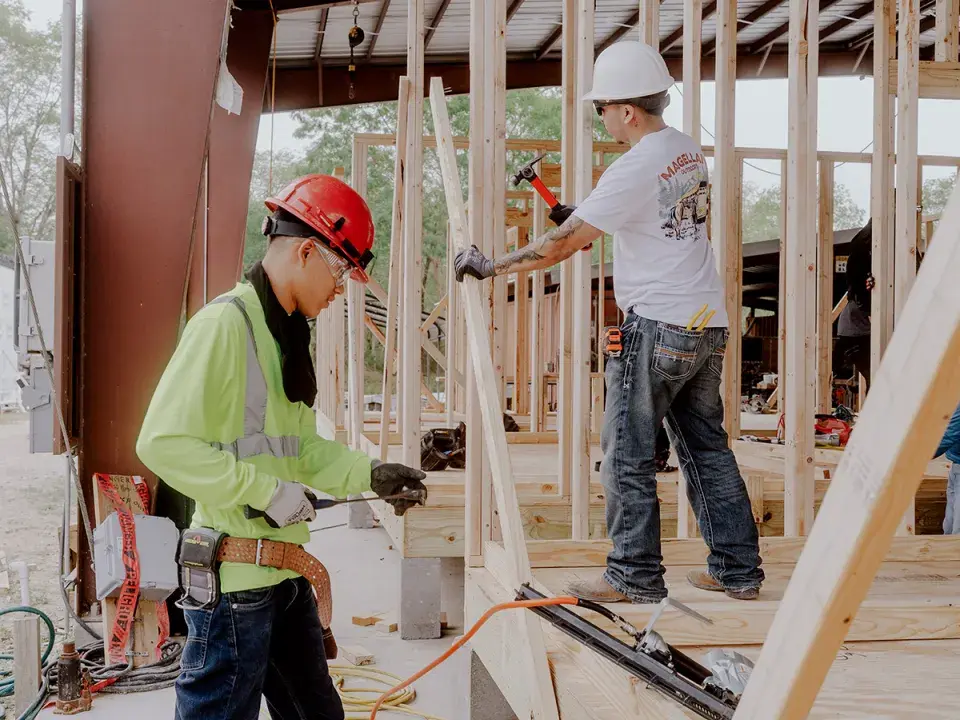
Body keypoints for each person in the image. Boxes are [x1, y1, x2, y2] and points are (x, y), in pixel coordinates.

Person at [454, 41, 763, 603]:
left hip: (657, 328)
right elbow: (658, 217)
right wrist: (593, 212)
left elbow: (560, 247)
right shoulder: (685, 151)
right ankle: (738, 571)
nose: (601, 118)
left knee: (627, 453)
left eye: (603, 108)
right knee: (707, 449)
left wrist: (491, 265)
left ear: (627, 111)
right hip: (706, 323)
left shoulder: (635, 164)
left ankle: (633, 576)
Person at [137, 174, 428, 720]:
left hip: (286, 577)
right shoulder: (225, 326)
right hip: (233, 589)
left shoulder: (286, 337)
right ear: (305, 251)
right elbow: (161, 443)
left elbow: (303, 452)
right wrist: (265, 492)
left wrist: (372, 474)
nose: (341, 288)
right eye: (341, 270)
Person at [834, 219, 873, 384]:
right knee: (874, 376)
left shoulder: (862, 249)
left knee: (875, 376)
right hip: (853, 333)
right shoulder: (860, 252)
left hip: (857, 331)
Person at [934, 402, 960, 535]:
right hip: (956, 467)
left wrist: (916, 456)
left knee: (957, 533)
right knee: (949, 528)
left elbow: (948, 436)